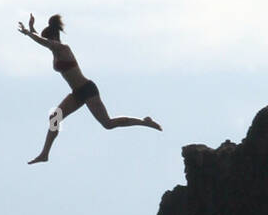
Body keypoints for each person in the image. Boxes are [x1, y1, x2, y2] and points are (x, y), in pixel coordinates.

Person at [17, 13, 162, 163]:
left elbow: (43, 41)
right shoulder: (54, 49)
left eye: (48, 40)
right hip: (77, 93)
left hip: (87, 89)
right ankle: (45, 154)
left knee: (108, 123)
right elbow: (42, 40)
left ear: (53, 38)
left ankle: (144, 121)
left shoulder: (62, 48)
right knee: (55, 117)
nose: (47, 45)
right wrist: (31, 28)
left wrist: (29, 32)